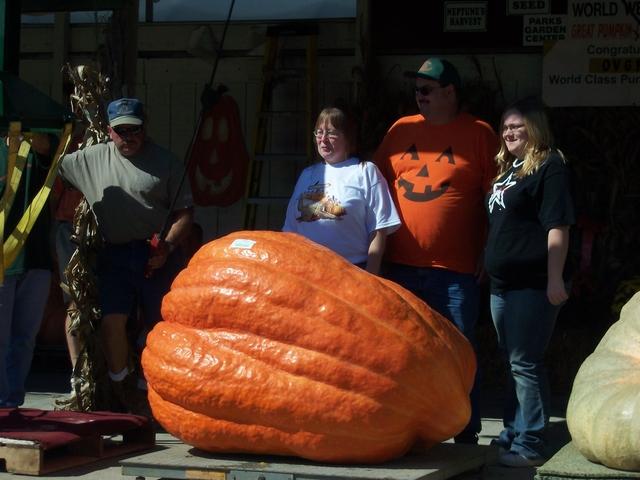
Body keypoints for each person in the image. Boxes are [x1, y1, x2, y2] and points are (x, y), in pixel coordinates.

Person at [373, 57, 498, 443]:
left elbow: (499, 200)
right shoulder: (400, 130)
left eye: (426, 89)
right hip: (401, 267)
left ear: (450, 92)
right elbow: (372, 187)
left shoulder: (479, 134)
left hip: (455, 270)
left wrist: (489, 250)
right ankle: (408, 430)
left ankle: (465, 433)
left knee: (460, 352)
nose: (419, 96)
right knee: (403, 352)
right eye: (416, 90)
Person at [58, 97, 193, 413]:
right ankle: (122, 385)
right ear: (109, 131)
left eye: (134, 130)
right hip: (115, 253)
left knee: (161, 324)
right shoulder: (90, 158)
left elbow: (185, 214)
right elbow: (50, 163)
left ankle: (153, 387)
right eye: (121, 131)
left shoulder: (167, 162)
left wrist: (167, 246)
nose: (127, 137)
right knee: (112, 321)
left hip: (156, 253)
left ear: (144, 128)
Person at [484, 97, 575, 467]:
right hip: (502, 285)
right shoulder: (510, 170)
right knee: (512, 361)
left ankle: (531, 445)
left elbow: (558, 226)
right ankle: (513, 433)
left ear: (535, 128)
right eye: (505, 127)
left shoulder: (550, 166)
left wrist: (555, 278)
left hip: (533, 284)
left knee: (525, 361)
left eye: (517, 126)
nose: (509, 132)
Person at [283, 107, 400, 275]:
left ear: (348, 137)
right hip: (306, 271)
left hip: (351, 271)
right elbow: (289, 231)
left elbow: (379, 229)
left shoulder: (365, 171)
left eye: (331, 133)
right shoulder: (307, 174)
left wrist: (370, 276)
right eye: (319, 133)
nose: (323, 139)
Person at [0, 132, 56, 408]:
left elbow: (49, 148)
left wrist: (27, 131)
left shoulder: (40, 142)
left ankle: (12, 402)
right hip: (3, 261)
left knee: (24, 338)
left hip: (36, 258)